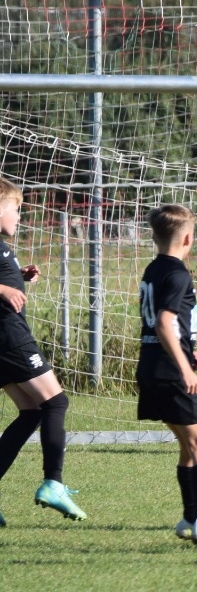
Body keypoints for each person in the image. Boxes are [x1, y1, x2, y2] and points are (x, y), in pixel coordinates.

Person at [138, 203, 197, 547]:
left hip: (151, 368)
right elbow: (163, 323)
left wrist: (190, 352)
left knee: (188, 448)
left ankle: (189, 518)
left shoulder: (152, 269)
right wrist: (184, 366)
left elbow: (167, 325)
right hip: (170, 371)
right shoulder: (178, 274)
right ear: (188, 238)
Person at [0, 177, 85, 524]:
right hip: (9, 338)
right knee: (56, 402)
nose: (20, 216)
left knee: (33, 410)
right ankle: (53, 483)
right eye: (16, 209)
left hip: (4, 341)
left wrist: (17, 277)